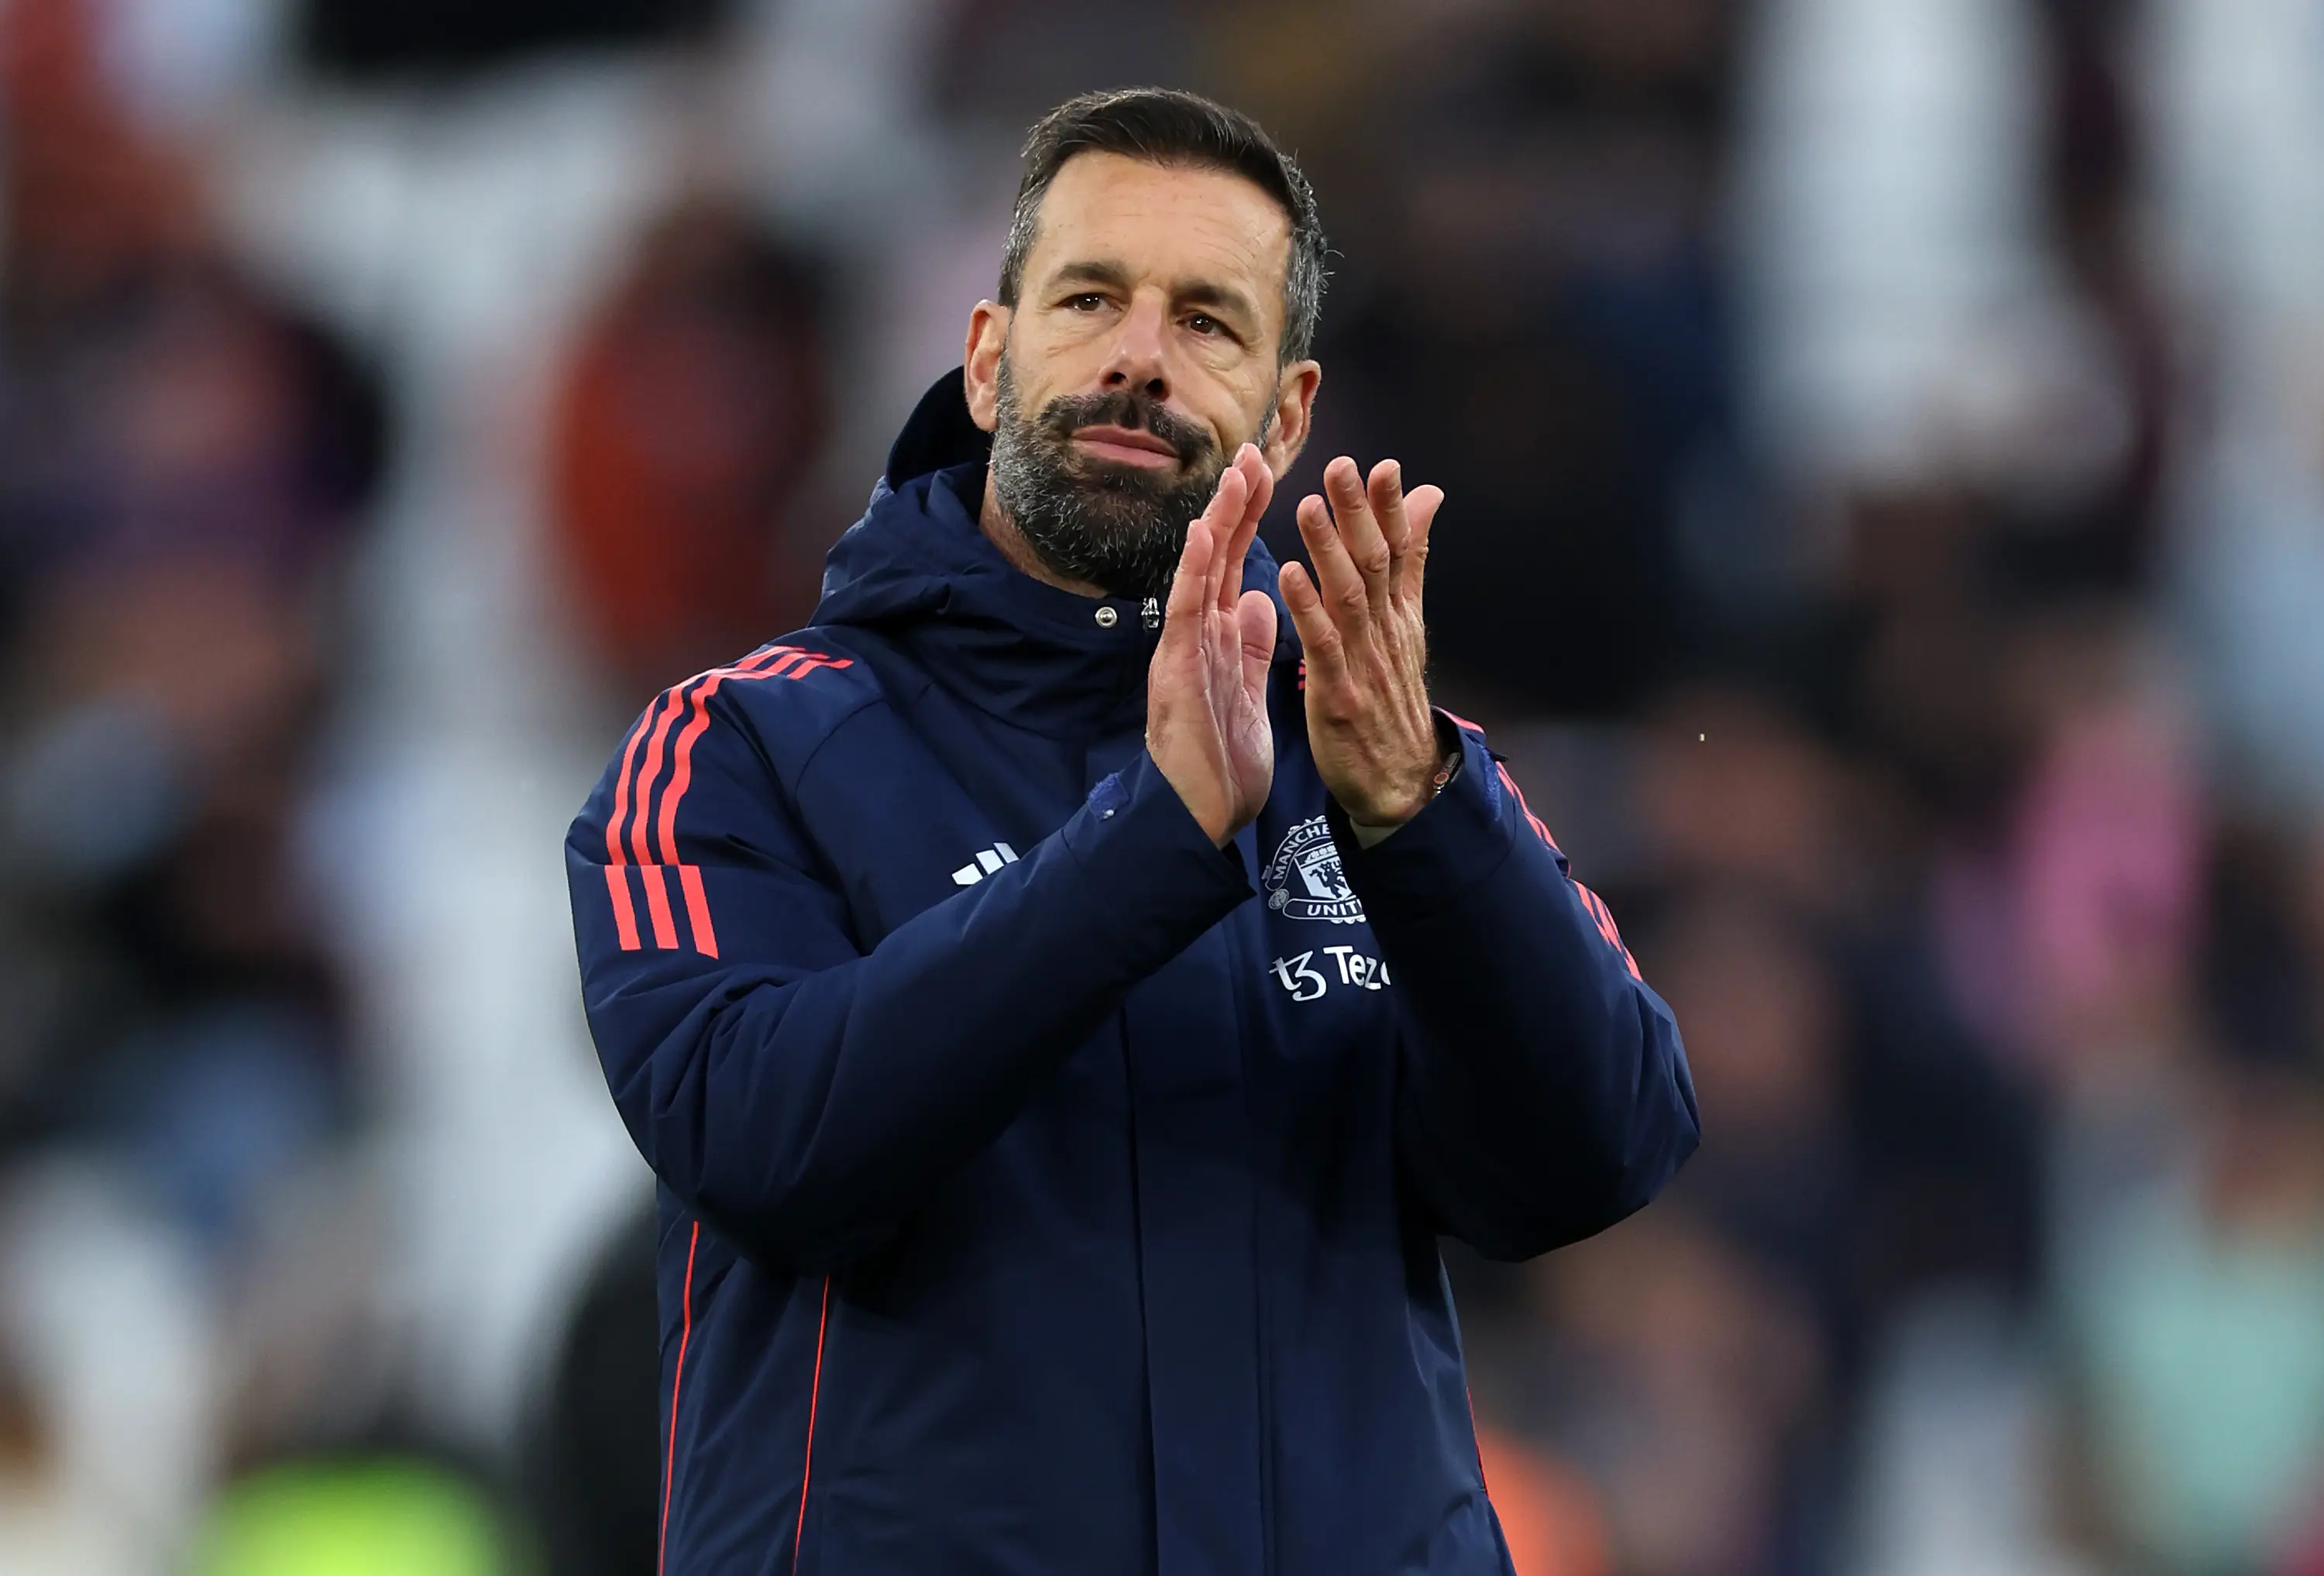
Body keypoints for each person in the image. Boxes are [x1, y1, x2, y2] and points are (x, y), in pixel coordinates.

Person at [566, 86, 1697, 1576]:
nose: (1141, 360)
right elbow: (773, 1142)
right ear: (987, 359)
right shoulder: (734, 747)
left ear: (1287, 416)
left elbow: (1600, 1151)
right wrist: (1155, 838)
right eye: (1091, 297)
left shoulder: (1374, 760)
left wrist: (1423, 820)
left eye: (1210, 322)